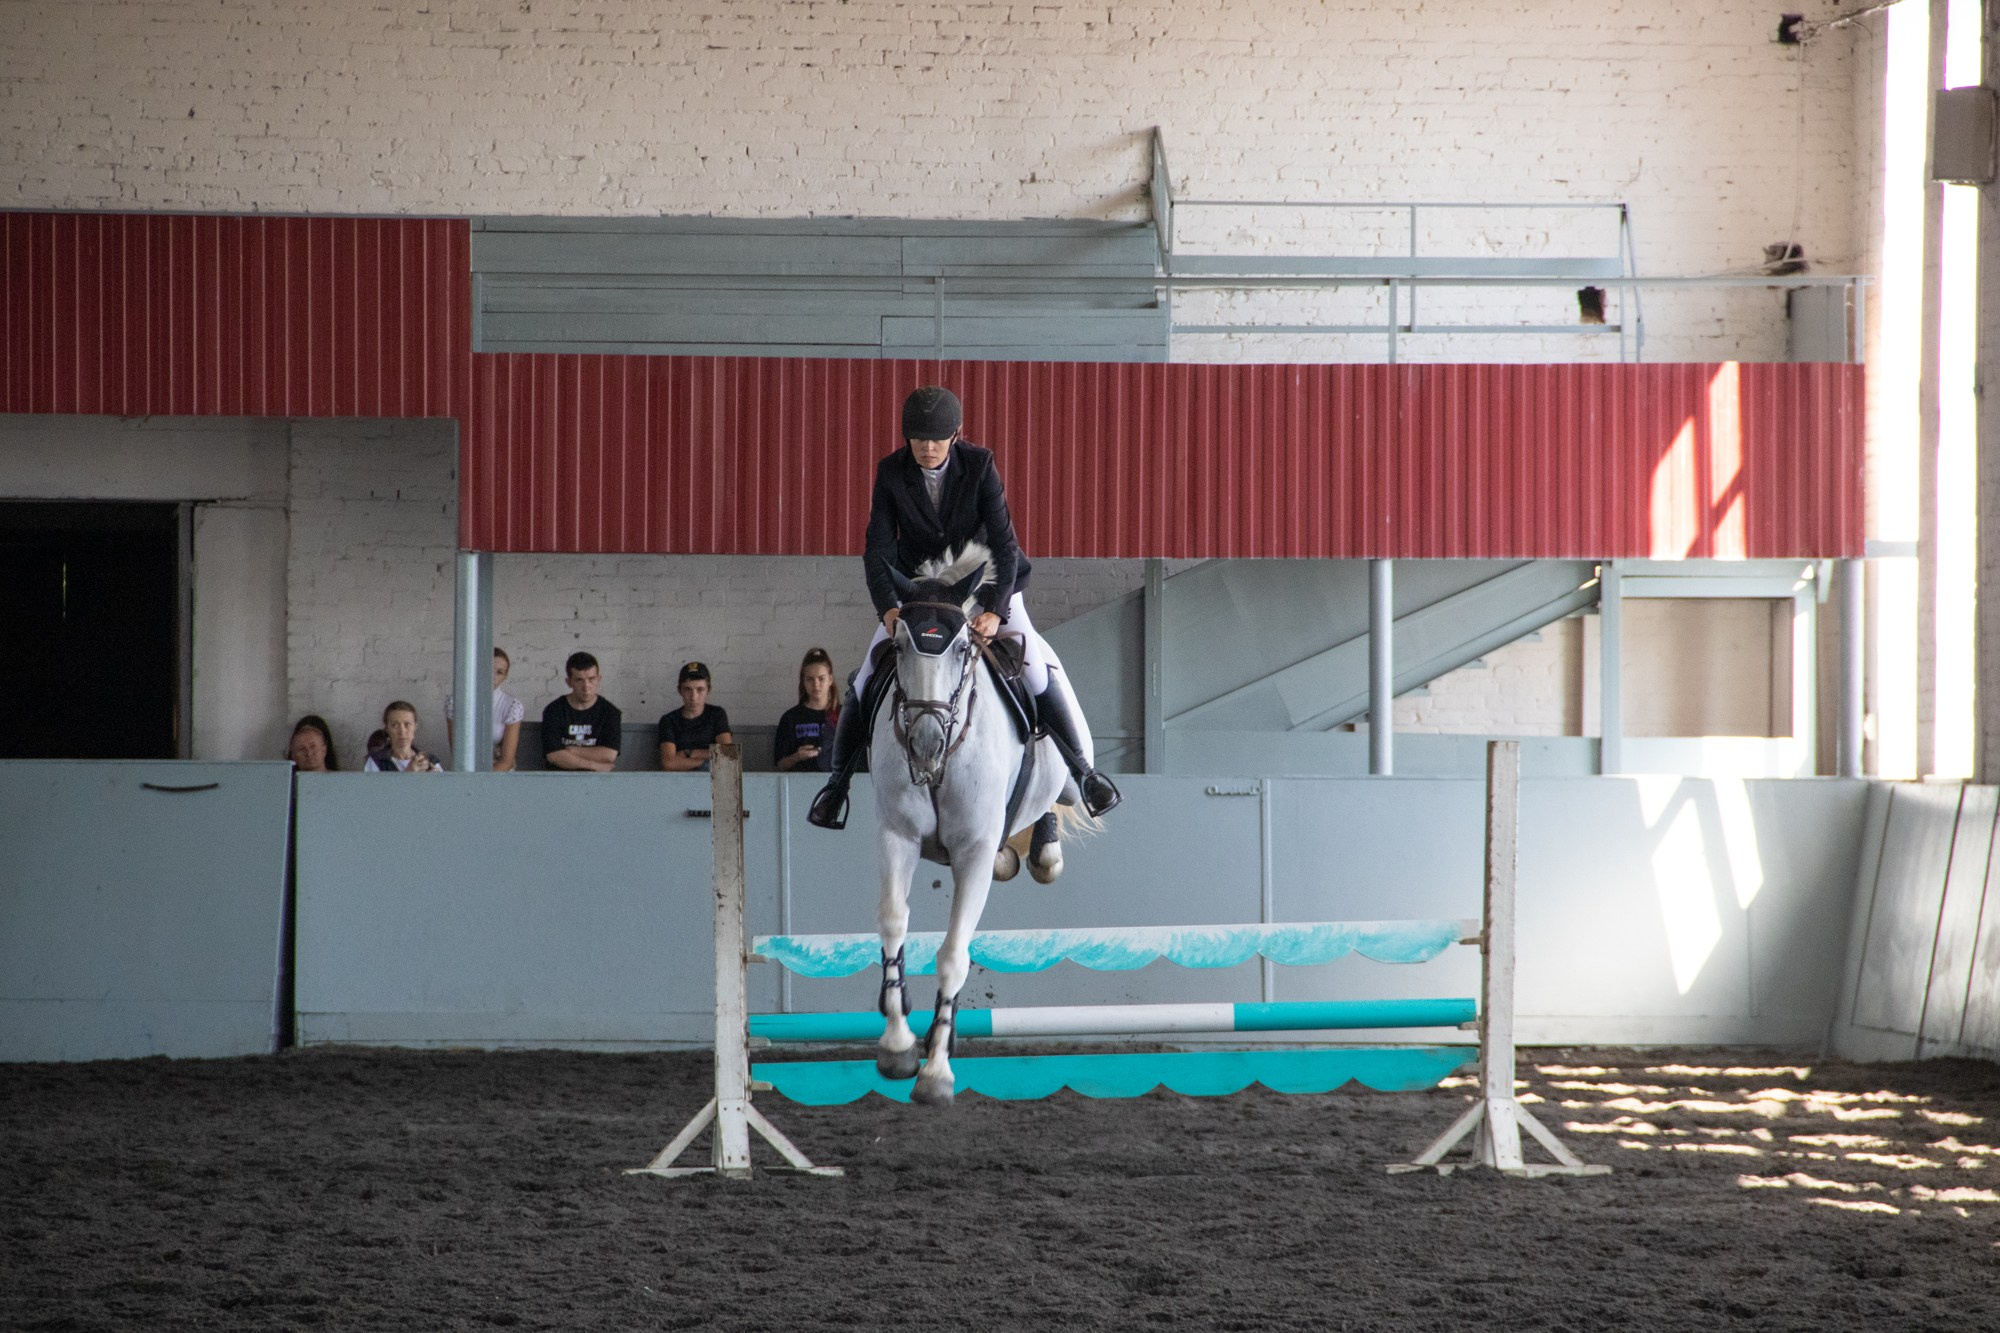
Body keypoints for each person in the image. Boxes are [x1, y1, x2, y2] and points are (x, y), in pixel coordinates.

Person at [807, 385, 1121, 829]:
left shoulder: (980, 465)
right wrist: (888, 609)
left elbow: (1005, 545)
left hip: (985, 584)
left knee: (1032, 665)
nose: (927, 448)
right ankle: (836, 786)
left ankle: (1085, 775)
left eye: (937, 439)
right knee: (866, 676)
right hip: (922, 594)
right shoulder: (891, 472)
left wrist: (996, 611)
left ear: (956, 435)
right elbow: (877, 549)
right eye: (918, 439)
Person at [445, 647, 528, 771]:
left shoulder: (512, 705)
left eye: (499, 672)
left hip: (499, 773)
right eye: (489, 670)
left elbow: (507, 761)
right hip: (466, 772)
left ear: (505, 677)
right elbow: (457, 753)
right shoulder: (455, 702)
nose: (493, 676)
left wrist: (484, 779)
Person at [542, 651, 621, 772]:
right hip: (559, 778)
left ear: (599, 679)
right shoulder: (554, 710)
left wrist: (571, 750)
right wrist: (594, 765)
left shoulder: (610, 712)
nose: (586, 686)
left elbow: (609, 755)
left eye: (591, 679)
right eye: (579, 680)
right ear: (569, 682)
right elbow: (554, 756)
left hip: (597, 780)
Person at [658, 661, 733, 772]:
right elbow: (669, 763)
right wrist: (706, 763)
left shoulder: (716, 714)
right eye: (688, 689)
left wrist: (688, 753)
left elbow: (727, 755)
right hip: (679, 779)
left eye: (700, 689)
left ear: (708, 690)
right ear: (680, 690)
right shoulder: (669, 720)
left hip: (713, 779)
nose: (694, 697)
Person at [774, 648, 839, 773]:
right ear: (803, 682)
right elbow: (780, 764)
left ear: (830, 680)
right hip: (800, 782)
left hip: (836, 782)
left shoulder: (844, 715)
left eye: (821, 678)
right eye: (810, 679)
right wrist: (797, 757)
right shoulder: (790, 718)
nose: (816, 684)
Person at [363, 701, 443, 772]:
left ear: (415, 727)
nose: (402, 731)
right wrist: (408, 774)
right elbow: (372, 785)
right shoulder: (377, 761)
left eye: (407, 724)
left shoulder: (430, 761)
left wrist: (435, 780)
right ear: (387, 729)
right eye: (395, 725)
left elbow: (443, 784)